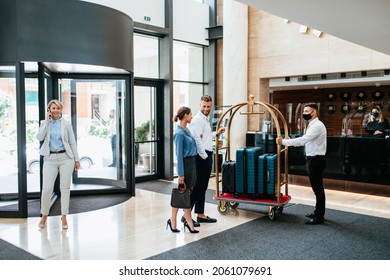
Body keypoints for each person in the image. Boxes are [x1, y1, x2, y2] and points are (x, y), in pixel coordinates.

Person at [276, 102, 327, 225]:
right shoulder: (312, 124)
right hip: (312, 159)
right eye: (303, 112)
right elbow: (305, 138)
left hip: (316, 160)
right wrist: (289, 140)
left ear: (314, 112)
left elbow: (303, 140)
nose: (304, 114)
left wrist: (284, 142)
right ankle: (317, 212)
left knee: (318, 189)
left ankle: (319, 217)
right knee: (317, 189)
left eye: (306, 112)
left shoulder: (317, 125)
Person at [36, 99, 80, 230]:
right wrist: (46, 123)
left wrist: (76, 160)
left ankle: (64, 216)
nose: (55, 110)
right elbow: (39, 137)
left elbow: (72, 142)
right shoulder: (45, 123)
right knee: (46, 189)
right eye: (53, 108)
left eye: (58, 108)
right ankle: (44, 215)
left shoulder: (66, 124)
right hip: (50, 159)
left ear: (61, 109)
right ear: (49, 110)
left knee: (65, 188)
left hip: (66, 158)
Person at [189, 95, 225, 224]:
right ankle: (186, 215)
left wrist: (217, 133)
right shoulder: (198, 120)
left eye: (208, 106)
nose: (206, 108)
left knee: (203, 186)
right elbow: (196, 139)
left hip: (206, 155)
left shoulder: (205, 119)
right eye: (204, 106)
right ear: (200, 105)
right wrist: (204, 156)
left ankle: (200, 214)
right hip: (202, 156)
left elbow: (205, 137)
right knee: (199, 186)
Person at [169, 106, 199, 233]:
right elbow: (179, 156)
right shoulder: (179, 133)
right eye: (190, 114)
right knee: (183, 193)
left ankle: (175, 220)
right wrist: (180, 174)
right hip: (185, 165)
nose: (192, 116)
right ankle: (185, 221)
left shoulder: (186, 130)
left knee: (186, 194)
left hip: (192, 164)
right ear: (185, 115)